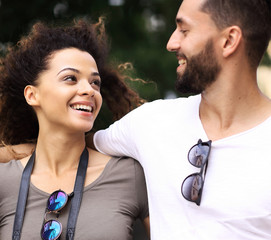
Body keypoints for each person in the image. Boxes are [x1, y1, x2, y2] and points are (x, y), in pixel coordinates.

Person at [93, 0, 271, 239]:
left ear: (229, 41)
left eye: (184, 31)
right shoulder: (150, 123)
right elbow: (65, 149)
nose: (171, 43)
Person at [0, 18, 149, 239]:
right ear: (33, 95)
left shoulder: (131, 175)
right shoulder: (4, 180)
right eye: (71, 78)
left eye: (95, 82)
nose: (89, 90)